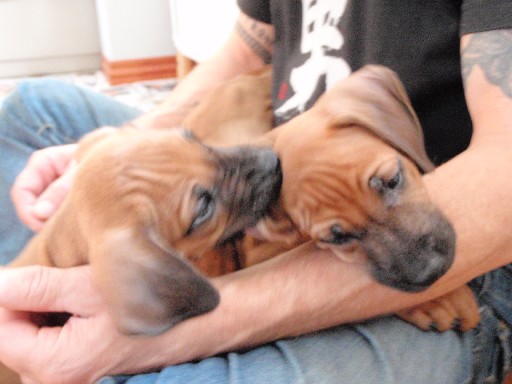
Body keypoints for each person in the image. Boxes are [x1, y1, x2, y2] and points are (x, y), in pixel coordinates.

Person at [0, 1, 511, 383]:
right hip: (281, 169)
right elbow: (248, 49)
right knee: (34, 111)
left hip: (472, 241)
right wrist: (130, 149)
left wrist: (192, 330)